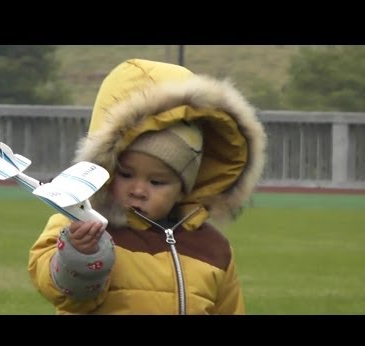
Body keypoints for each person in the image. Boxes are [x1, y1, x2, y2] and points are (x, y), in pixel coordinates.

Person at [28, 58, 266, 315]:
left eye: (157, 182)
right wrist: (80, 256)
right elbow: (58, 288)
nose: (138, 190)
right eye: (127, 174)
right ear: (105, 169)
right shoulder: (80, 225)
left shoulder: (213, 248)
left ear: (184, 189)